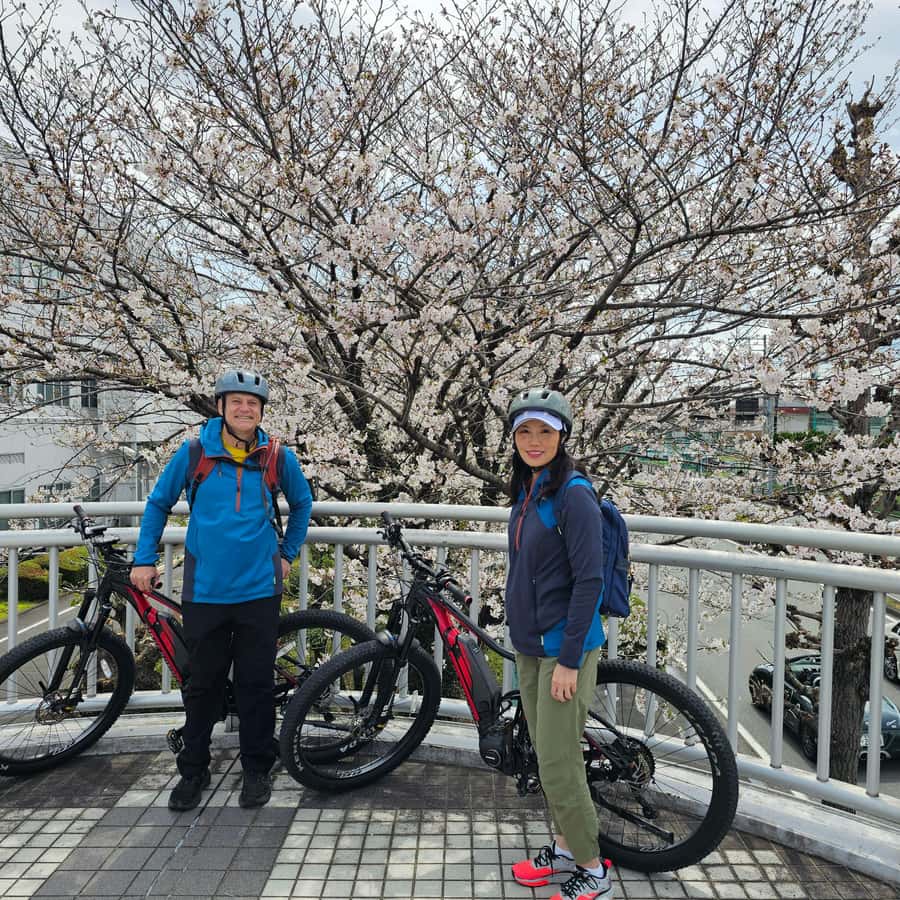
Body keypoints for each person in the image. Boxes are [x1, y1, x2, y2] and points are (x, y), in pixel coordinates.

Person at [131, 368, 313, 811]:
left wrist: (287, 553)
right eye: (236, 402)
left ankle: (256, 767)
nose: (244, 409)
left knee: (255, 683)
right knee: (202, 684)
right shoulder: (195, 452)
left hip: (259, 588)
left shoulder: (276, 457)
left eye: (252, 403)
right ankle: (193, 769)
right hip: (206, 590)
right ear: (221, 407)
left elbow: (303, 502)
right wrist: (143, 558)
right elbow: (158, 503)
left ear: (261, 411)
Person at [504, 387, 613, 900]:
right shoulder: (530, 489)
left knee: (558, 760)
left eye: (544, 431)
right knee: (547, 753)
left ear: (562, 435)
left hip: (564, 648)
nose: (534, 440)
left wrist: (569, 659)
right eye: (524, 431)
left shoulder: (573, 494)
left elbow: (589, 581)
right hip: (532, 644)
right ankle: (566, 848)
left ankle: (593, 869)